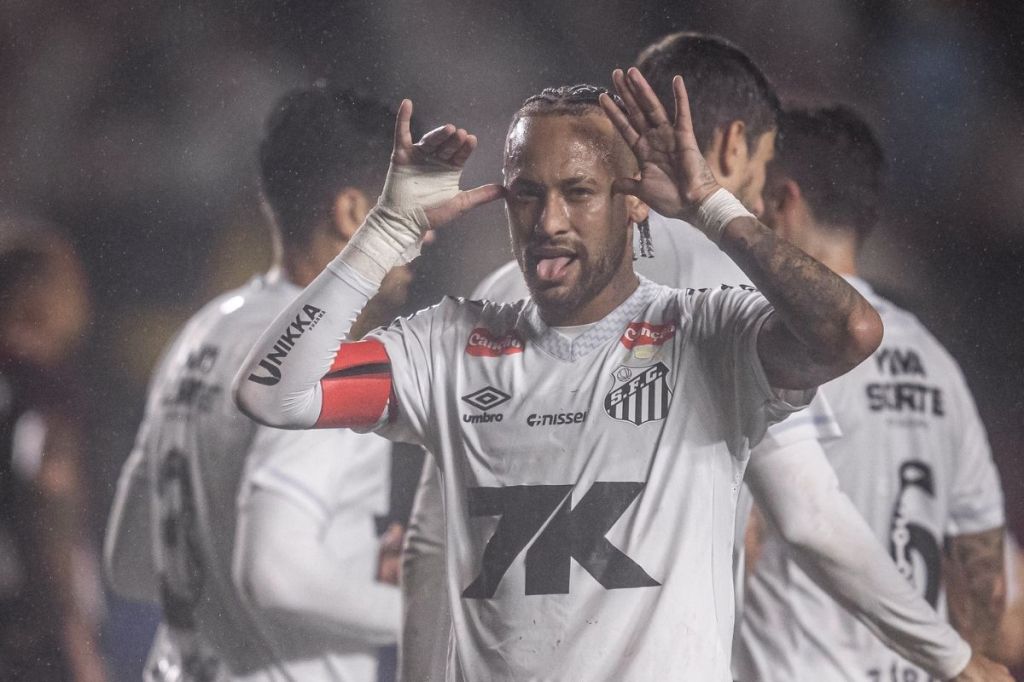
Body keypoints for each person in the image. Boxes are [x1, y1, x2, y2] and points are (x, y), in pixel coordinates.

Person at [234, 52, 893, 677]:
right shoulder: (449, 347)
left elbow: (850, 332)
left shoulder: (707, 336)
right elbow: (274, 394)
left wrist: (712, 208)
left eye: (578, 191)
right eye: (527, 194)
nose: (549, 220)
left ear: (633, 199)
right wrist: (381, 237)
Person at [401, 33, 1005, 682]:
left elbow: (430, 545)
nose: (765, 194)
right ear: (729, 147)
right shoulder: (724, 290)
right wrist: (953, 657)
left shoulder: (505, 295)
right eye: (764, 166)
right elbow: (808, 514)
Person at [104, 85, 409, 681]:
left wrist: (342, 567)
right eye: (412, 208)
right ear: (353, 214)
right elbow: (276, 571)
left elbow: (132, 562)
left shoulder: (201, 334)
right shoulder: (323, 359)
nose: (427, 233)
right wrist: (419, 607)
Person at [736, 104, 1008, 681]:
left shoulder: (775, 349)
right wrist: (965, 660)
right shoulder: (939, 365)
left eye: (756, 198)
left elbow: (747, 538)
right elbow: (982, 563)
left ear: (784, 202)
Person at [0, 218, 108, 682]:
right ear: (36, 296)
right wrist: (74, 634)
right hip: (33, 623)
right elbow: (49, 493)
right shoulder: (43, 386)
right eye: (70, 282)